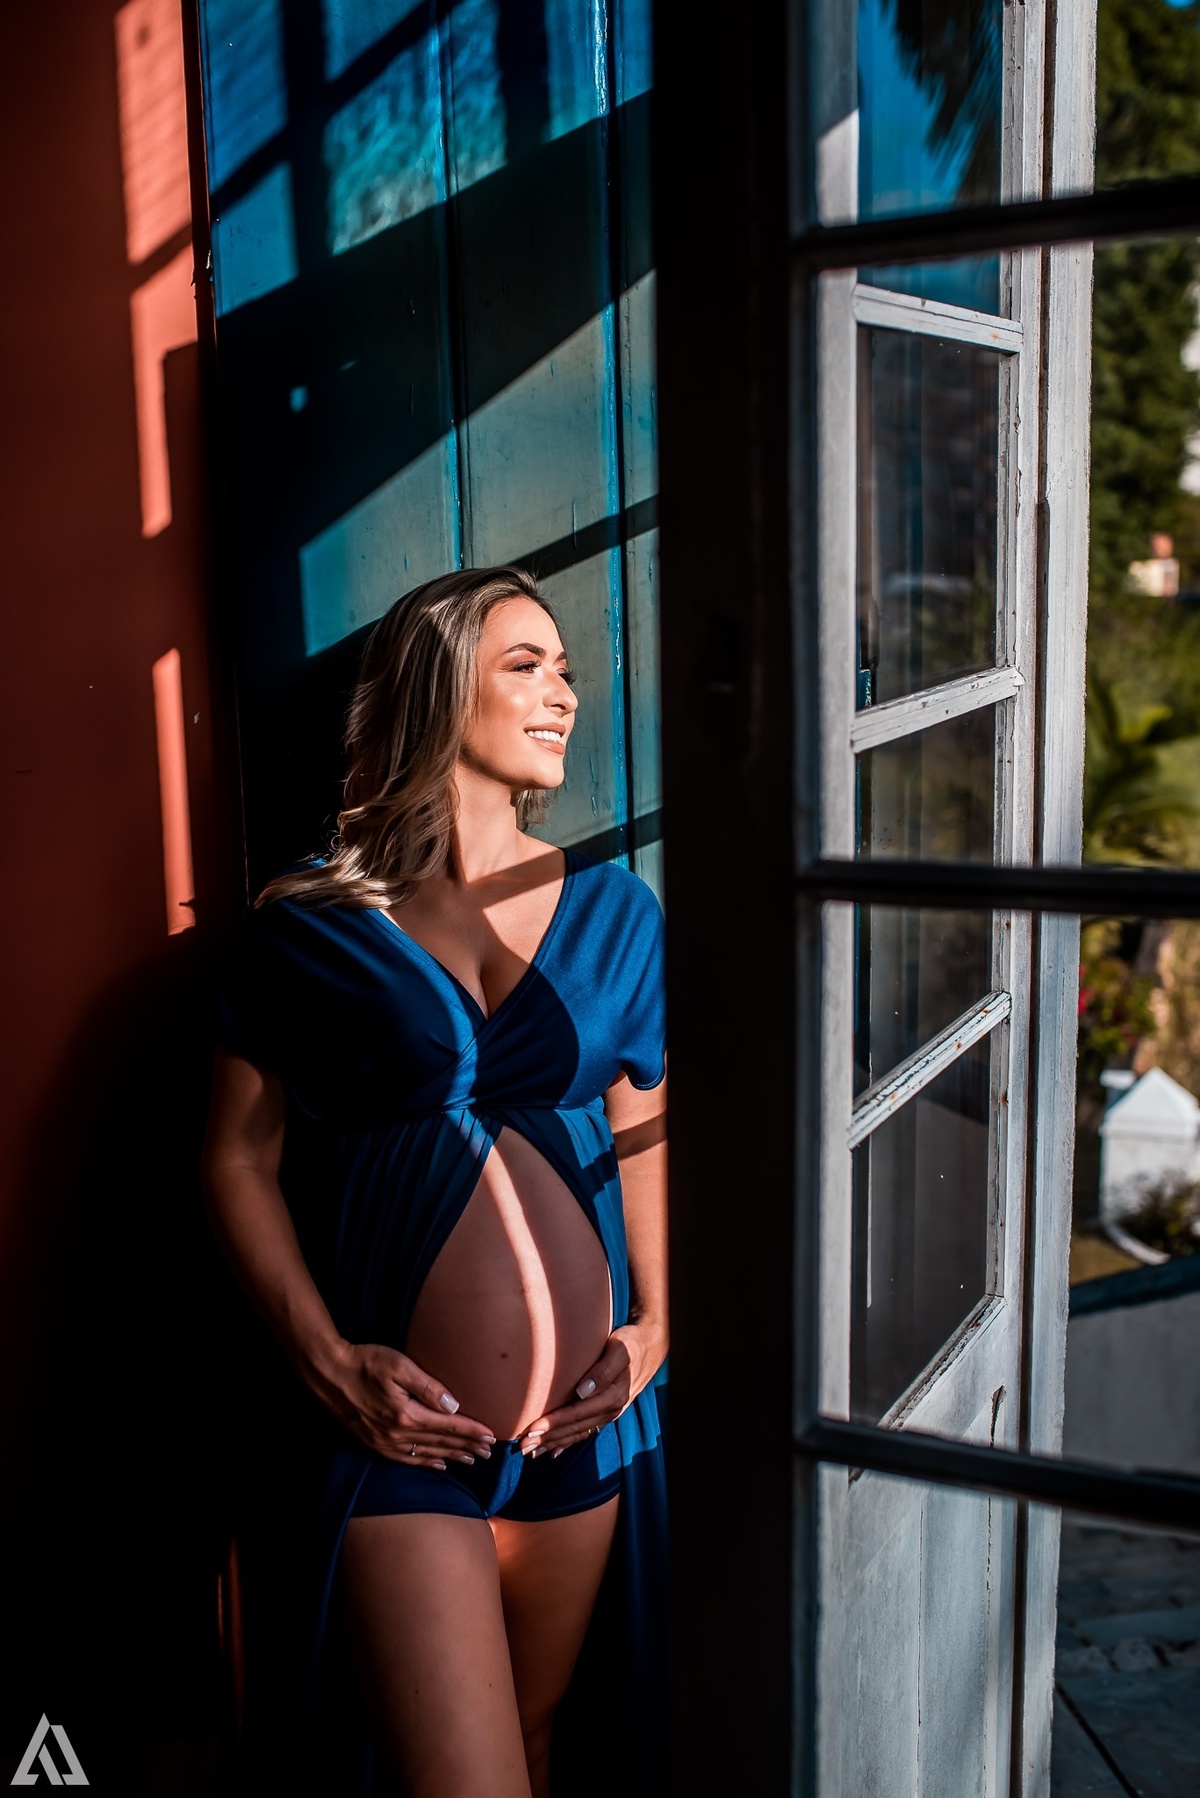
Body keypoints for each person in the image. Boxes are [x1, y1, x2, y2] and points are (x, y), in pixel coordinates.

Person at [202, 566, 669, 1798]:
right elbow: (236, 1157)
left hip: (581, 1426)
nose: (565, 691)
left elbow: (645, 1119)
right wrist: (325, 1359)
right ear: (434, 683)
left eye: (568, 666)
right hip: (397, 1430)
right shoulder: (312, 921)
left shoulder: (620, 911)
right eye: (527, 663)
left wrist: (656, 1325)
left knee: (536, 1737)